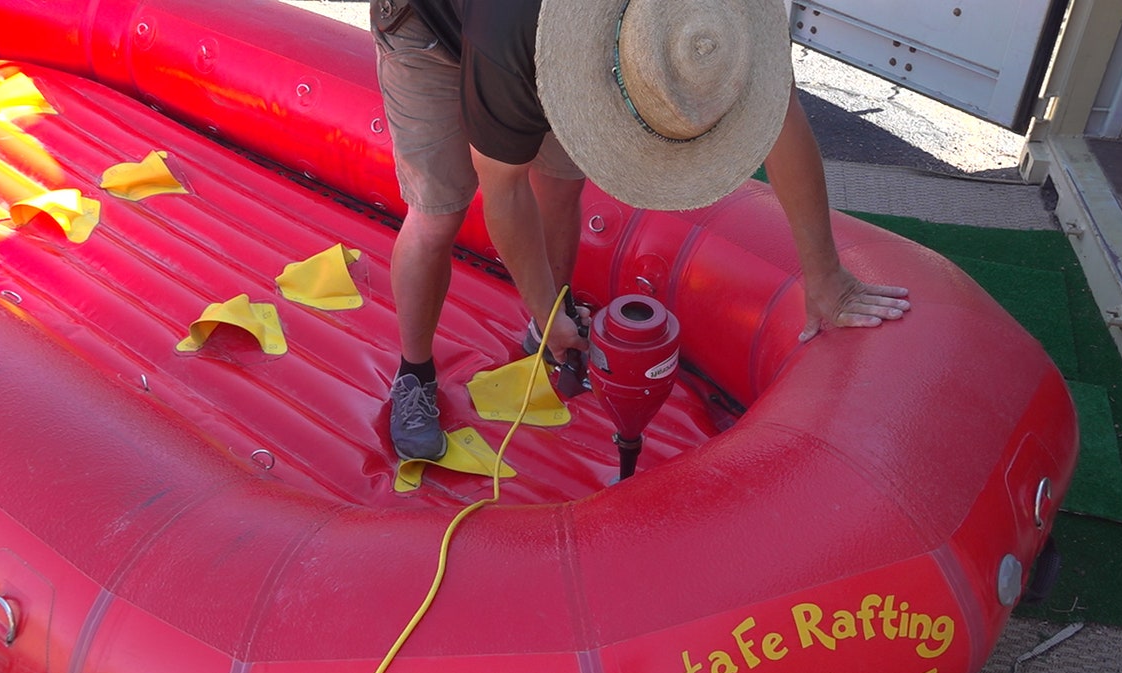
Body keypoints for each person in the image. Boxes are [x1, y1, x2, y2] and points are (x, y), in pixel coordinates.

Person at [372, 0, 910, 462]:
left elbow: (778, 115)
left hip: (559, 34)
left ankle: (550, 331)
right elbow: (503, 191)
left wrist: (826, 276)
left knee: (561, 183)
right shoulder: (509, 37)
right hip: (427, 28)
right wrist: (542, 305)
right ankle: (414, 374)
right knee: (439, 213)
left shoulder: (722, 19)